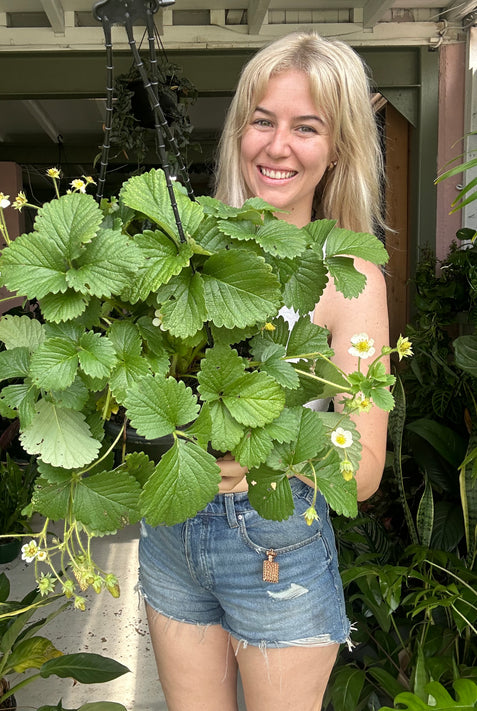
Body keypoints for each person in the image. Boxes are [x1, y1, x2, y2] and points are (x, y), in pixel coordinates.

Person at [138, 32, 390, 711]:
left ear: (336, 147)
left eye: (305, 127)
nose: (276, 146)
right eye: (262, 120)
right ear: (239, 129)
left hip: (274, 541)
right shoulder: (187, 247)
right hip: (171, 530)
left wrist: (265, 460)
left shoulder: (350, 279)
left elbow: (363, 470)